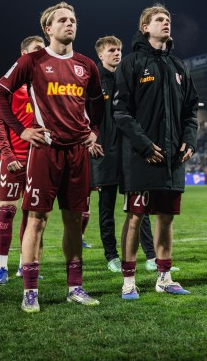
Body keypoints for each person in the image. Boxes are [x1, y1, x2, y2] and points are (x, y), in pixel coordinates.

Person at [0, 2, 104, 313]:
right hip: (45, 152)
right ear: (48, 28)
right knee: (36, 220)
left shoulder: (87, 66)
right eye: (63, 20)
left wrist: (93, 131)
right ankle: (30, 291)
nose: (70, 24)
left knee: (74, 220)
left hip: (77, 154)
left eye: (73, 20)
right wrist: (21, 130)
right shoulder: (32, 61)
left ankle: (75, 287)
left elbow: (97, 104)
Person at [113, 4, 199, 299]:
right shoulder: (131, 62)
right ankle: (128, 282)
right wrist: (145, 145)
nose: (166, 23)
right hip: (141, 158)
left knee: (166, 218)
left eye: (168, 20)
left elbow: (191, 111)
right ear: (145, 27)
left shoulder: (180, 66)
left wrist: (190, 140)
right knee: (135, 217)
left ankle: (164, 278)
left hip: (173, 158)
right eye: (159, 20)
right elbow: (121, 112)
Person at [89, 35, 159, 273]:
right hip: (104, 152)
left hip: (130, 152)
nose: (117, 53)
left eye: (119, 49)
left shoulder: (129, 77)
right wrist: (89, 138)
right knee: (106, 206)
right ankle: (111, 256)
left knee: (139, 206)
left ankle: (151, 256)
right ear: (100, 54)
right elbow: (82, 113)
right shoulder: (93, 80)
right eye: (111, 50)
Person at [0, 35, 45, 286]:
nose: (40, 55)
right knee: (7, 212)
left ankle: (26, 265)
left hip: (40, 160)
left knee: (33, 216)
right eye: (35, 50)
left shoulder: (46, 85)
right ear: (23, 54)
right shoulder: (10, 86)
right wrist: (8, 154)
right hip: (15, 159)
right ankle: (1, 267)